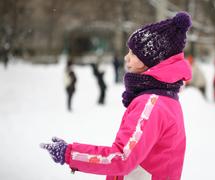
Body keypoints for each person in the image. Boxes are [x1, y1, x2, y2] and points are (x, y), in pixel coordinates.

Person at [40, 12, 192, 179]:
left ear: (153, 61)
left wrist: (69, 153)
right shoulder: (165, 99)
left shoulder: (151, 104)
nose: (126, 58)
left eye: (134, 54)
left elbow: (121, 158)